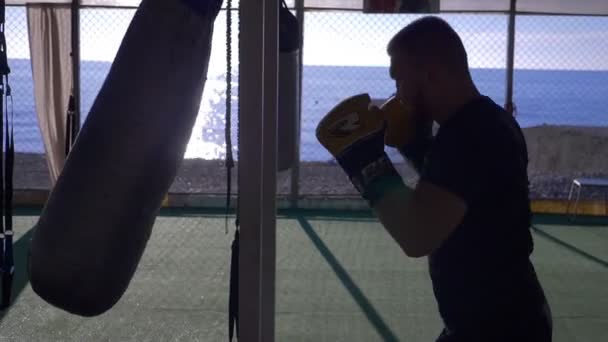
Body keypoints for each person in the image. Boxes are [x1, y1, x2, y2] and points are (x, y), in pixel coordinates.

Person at [316, 16, 552, 341]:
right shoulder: (483, 120)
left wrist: (364, 160)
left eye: (400, 81)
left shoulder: (470, 134)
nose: (397, 95)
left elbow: (417, 234)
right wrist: (416, 146)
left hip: (498, 327)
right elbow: (457, 193)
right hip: (495, 316)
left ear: (430, 75)